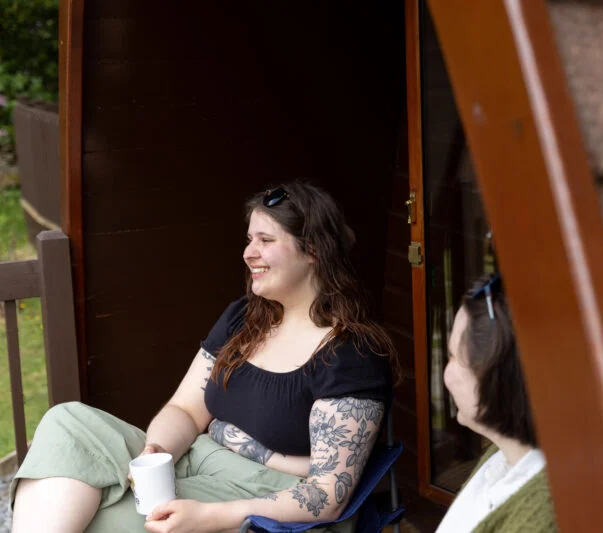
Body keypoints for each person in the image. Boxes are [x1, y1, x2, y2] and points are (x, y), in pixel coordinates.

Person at [10, 182, 397, 533]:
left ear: (313, 250)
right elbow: (187, 411)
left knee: (89, 512)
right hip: (197, 456)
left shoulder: (349, 354)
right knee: (68, 422)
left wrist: (211, 515)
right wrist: (156, 452)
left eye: (265, 240)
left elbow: (328, 497)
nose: (249, 253)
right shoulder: (244, 318)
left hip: (267, 497)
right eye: (249, 239)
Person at [436, 275, 557, 533]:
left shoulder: (540, 521)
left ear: (496, 380)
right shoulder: (504, 453)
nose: (446, 375)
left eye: (454, 357)